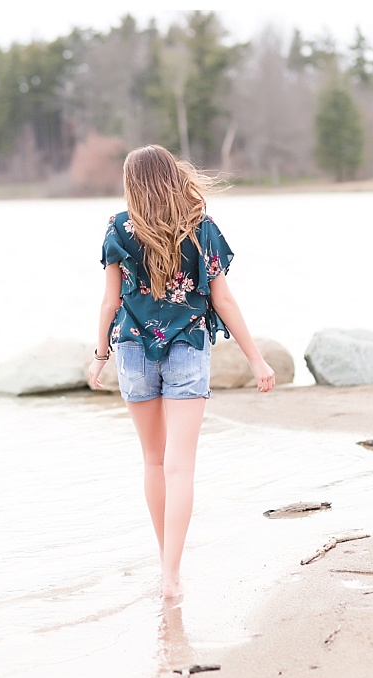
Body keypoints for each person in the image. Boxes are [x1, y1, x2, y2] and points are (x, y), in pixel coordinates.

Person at [87, 144, 274, 600]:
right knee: (180, 468)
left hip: (134, 351)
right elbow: (223, 301)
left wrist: (99, 353)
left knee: (153, 461)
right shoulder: (201, 226)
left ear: (133, 184)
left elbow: (111, 302)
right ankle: (172, 574)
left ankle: (163, 567)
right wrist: (256, 358)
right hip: (189, 348)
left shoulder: (119, 227)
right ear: (172, 177)